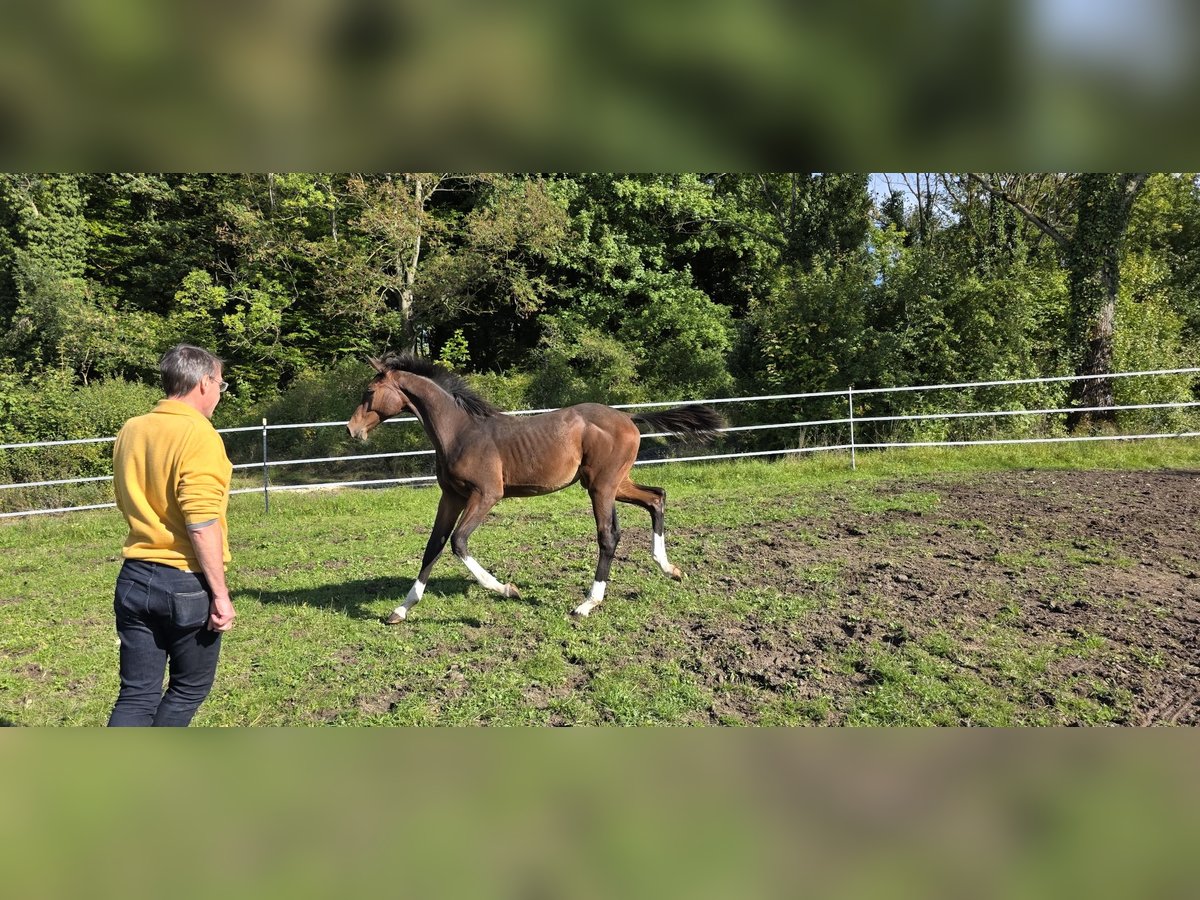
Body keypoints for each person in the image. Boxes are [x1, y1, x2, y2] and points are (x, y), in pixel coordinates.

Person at [108, 344, 236, 726]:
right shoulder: (199, 434)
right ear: (204, 383)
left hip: (134, 577)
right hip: (183, 582)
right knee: (188, 688)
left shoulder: (132, 429)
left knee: (136, 694)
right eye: (221, 385)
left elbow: (124, 498)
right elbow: (201, 522)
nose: (220, 394)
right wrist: (220, 594)